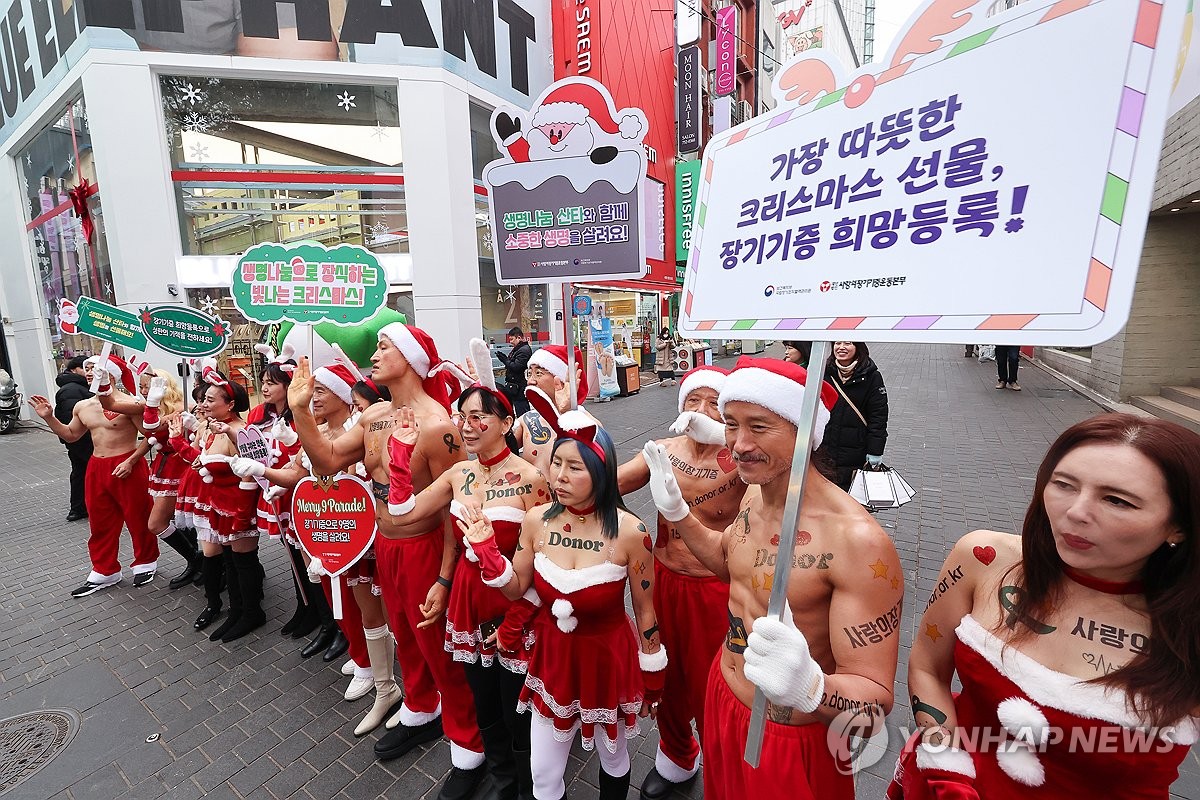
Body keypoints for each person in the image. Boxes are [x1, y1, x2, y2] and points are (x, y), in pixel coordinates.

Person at [890, 413, 1200, 799]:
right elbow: (927, 668)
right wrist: (946, 767)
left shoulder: (1188, 628)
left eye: (1117, 500)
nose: (1075, 512)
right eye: (1064, 485)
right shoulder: (984, 558)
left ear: (1179, 525)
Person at [643, 356, 904, 798]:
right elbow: (729, 563)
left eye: (759, 426)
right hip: (722, 697)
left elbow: (874, 704)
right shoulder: (755, 495)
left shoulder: (855, 541)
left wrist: (811, 687)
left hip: (789, 735)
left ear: (804, 431)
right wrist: (678, 514)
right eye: (731, 424)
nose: (739, 444)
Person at [288, 323, 486, 800]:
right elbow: (328, 461)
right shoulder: (375, 414)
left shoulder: (439, 425)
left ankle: (469, 746)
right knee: (404, 635)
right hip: (385, 547)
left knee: (440, 648)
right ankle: (420, 709)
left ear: (413, 359)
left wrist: (444, 577)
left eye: (384, 346)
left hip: (424, 550)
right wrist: (300, 412)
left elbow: (453, 511)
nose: (374, 354)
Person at [457, 417, 665, 800]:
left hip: (607, 664)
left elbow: (646, 612)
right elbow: (516, 588)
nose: (559, 477)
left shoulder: (632, 533)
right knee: (543, 775)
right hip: (552, 660)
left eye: (575, 467)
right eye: (556, 464)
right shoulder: (536, 521)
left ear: (602, 472)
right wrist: (486, 550)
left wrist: (653, 679)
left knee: (614, 758)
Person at [387, 341, 550, 800]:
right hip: (468, 599)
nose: (469, 425)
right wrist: (401, 455)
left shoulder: (531, 478)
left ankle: (525, 781)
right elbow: (403, 512)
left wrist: (518, 620)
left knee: (517, 700)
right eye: (464, 417)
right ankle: (498, 775)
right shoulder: (460, 474)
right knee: (483, 698)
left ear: (506, 422)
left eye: (480, 416)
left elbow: (545, 555)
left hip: (514, 603)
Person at [237, 358, 398, 730]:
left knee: (377, 609)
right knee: (341, 602)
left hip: (360, 538)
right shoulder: (316, 430)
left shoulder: (361, 431)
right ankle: (371, 668)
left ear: (344, 396)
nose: (315, 398)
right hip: (323, 535)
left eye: (321, 391)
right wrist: (265, 472)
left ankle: (382, 672)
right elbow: (300, 470)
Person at [617, 366, 748, 798]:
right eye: (694, 401)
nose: (701, 410)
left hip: (714, 587)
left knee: (716, 684)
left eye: (714, 402)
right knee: (665, 675)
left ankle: (725, 771)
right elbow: (611, 482)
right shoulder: (663, 448)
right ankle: (675, 755)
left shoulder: (741, 462)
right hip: (663, 581)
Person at [30, 355, 158, 596]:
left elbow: (151, 436)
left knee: (138, 518)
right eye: (87, 369)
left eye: (96, 369)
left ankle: (145, 561)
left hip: (127, 465)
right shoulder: (83, 406)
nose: (89, 373)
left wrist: (131, 460)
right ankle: (105, 570)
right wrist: (48, 417)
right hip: (96, 468)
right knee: (100, 523)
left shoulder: (130, 403)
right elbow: (70, 435)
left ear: (112, 375)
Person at [168, 364, 264, 642]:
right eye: (204, 399)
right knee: (231, 563)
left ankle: (252, 613)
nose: (204, 404)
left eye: (211, 400)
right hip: (218, 505)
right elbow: (200, 465)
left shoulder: (242, 432)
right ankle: (236, 611)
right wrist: (177, 440)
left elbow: (252, 474)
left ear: (231, 404)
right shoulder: (211, 429)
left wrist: (243, 515)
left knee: (243, 562)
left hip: (239, 507)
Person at [95, 365, 201, 589]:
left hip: (186, 465)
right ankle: (196, 561)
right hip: (164, 466)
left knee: (179, 521)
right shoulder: (145, 407)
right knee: (167, 522)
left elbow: (161, 430)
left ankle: (200, 563)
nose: (143, 390)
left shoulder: (185, 408)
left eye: (147, 386)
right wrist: (103, 382)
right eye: (141, 386)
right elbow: (111, 404)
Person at [509, 345, 591, 478]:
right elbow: (497, 451)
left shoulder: (587, 422)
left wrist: (566, 412)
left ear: (561, 380)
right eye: (529, 374)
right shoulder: (526, 420)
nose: (531, 381)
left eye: (538, 373)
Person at [822, 341, 889, 491]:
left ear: (858, 347)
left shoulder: (871, 376)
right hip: (825, 449)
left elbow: (878, 417)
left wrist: (875, 452)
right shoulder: (824, 372)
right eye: (837, 343)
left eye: (848, 343)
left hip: (856, 451)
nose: (841, 347)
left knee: (849, 501)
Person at [54, 356, 94, 522]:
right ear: (75, 369)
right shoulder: (72, 389)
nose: (90, 373)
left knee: (80, 472)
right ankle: (79, 508)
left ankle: (79, 508)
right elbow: (73, 419)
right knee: (85, 473)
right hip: (82, 440)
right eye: (87, 368)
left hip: (79, 440)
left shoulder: (76, 387)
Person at [497, 327, 533, 417]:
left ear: (519, 338)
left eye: (512, 339)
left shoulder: (523, 350)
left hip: (519, 388)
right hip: (514, 387)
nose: (510, 342)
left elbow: (516, 367)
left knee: (522, 413)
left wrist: (505, 360)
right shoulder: (518, 349)